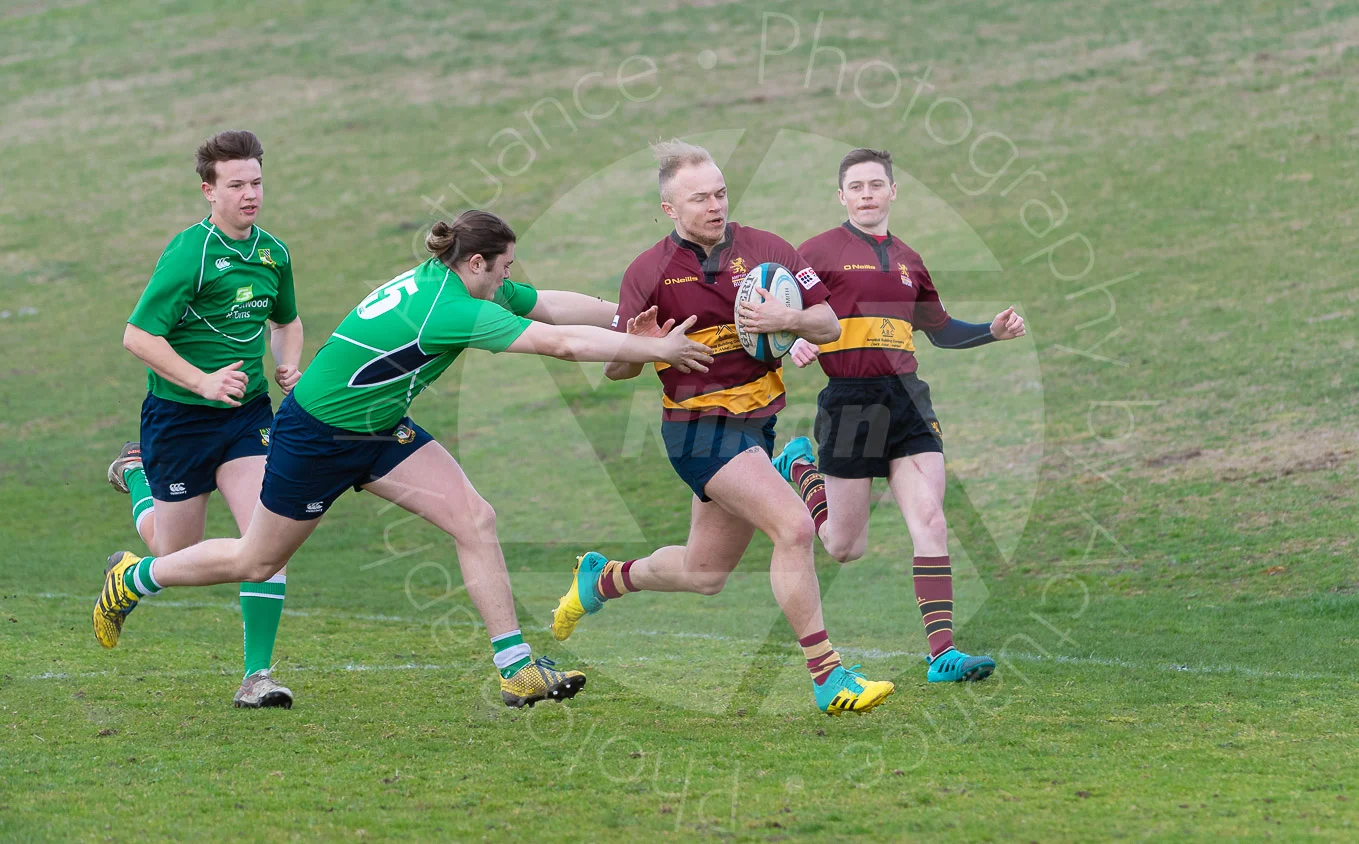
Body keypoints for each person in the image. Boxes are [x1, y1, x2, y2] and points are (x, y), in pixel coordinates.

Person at [92, 210, 714, 709]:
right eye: (503, 269)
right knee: (257, 560)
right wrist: (653, 348)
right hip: (318, 436)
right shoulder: (449, 308)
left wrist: (625, 317)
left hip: (379, 428)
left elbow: (546, 305)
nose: (508, 280)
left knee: (475, 518)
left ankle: (516, 669)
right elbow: (557, 344)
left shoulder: (451, 277)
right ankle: (135, 578)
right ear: (476, 263)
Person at [549, 140, 897, 716]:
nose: (715, 206)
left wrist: (788, 317)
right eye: (699, 199)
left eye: (720, 193)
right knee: (794, 527)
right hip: (697, 429)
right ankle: (828, 676)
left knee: (704, 572)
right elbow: (615, 370)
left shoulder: (768, 249)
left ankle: (603, 578)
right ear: (669, 209)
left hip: (757, 424)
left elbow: (828, 324)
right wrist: (642, 346)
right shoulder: (647, 272)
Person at [773, 148, 1027, 684]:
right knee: (845, 546)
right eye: (856, 187)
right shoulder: (815, 253)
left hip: (909, 401)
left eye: (875, 185)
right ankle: (799, 468)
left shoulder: (910, 260)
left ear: (893, 192)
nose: (866, 194)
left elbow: (941, 330)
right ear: (841, 197)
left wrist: (991, 331)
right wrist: (793, 341)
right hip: (850, 401)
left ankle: (942, 654)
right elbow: (777, 314)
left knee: (931, 521)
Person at [106, 130, 304, 708]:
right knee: (172, 555)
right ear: (209, 191)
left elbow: (286, 321)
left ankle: (257, 676)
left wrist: (288, 363)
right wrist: (202, 381)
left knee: (267, 540)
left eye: (256, 183)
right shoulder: (189, 252)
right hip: (179, 419)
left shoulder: (273, 253)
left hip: (247, 417)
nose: (250, 194)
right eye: (236, 185)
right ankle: (137, 476)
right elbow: (138, 335)